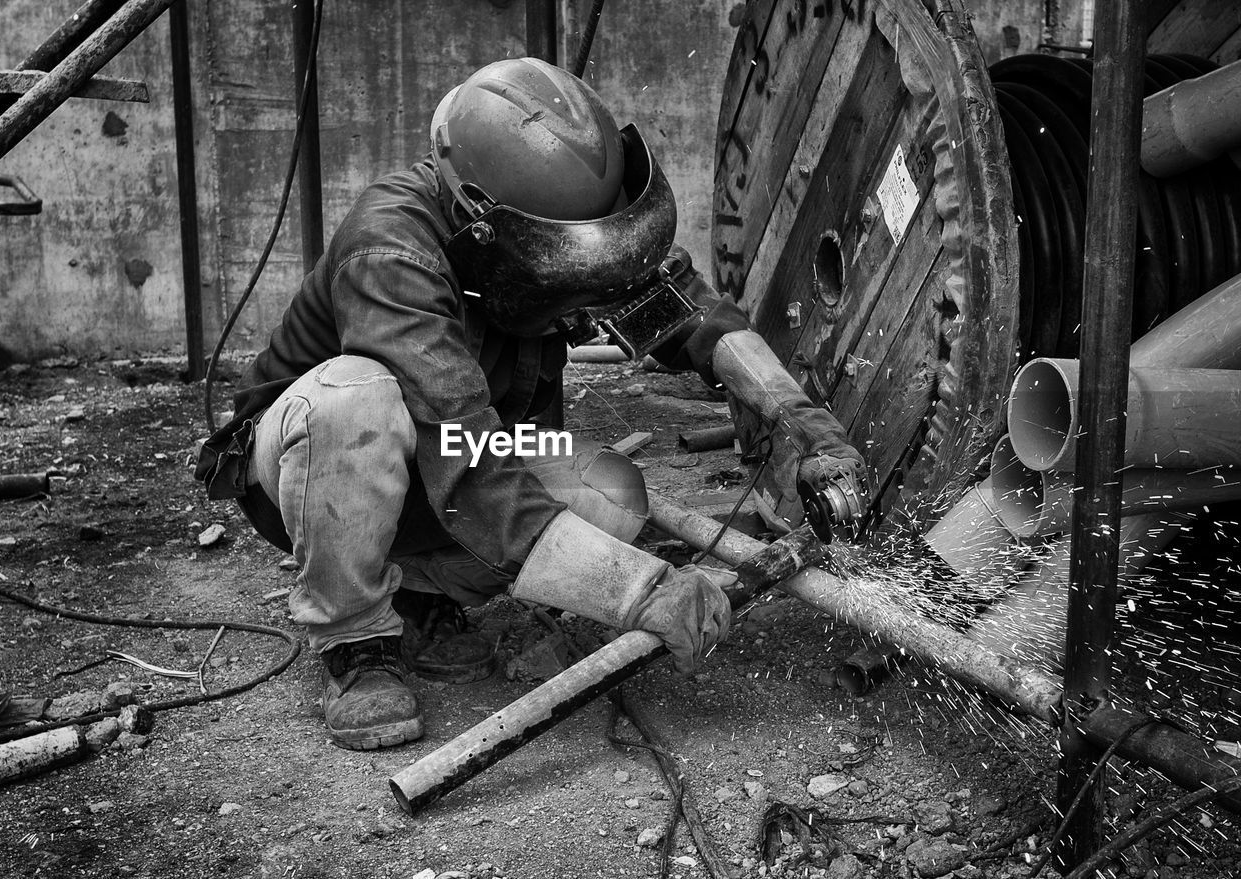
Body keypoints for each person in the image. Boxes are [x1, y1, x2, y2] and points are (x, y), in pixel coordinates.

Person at [195, 58, 864, 751]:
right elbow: (470, 458)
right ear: (484, 222)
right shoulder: (392, 248)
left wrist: (802, 421)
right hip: (320, 465)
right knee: (352, 402)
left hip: (465, 457)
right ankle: (354, 639)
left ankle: (424, 595)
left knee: (614, 492)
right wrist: (642, 589)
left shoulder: (569, 217)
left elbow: (693, 313)